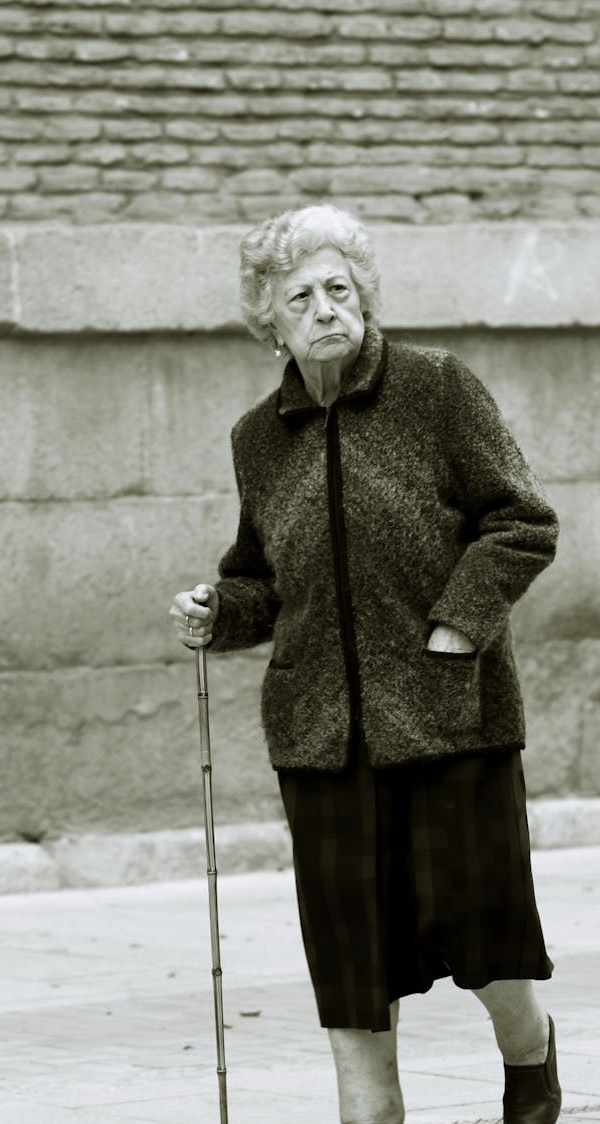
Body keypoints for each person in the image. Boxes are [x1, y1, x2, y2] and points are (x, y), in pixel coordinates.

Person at [168, 203, 561, 1124]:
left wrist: (458, 627)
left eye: (340, 288)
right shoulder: (257, 439)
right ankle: (373, 1111)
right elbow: (260, 580)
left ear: (366, 296)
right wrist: (218, 612)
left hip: (447, 716)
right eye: (301, 296)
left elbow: (522, 523)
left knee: (484, 935)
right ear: (269, 319)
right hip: (322, 739)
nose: (325, 309)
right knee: (353, 960)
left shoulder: (436, 388)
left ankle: (529, 1053)